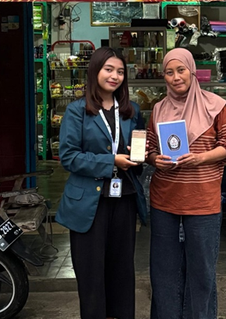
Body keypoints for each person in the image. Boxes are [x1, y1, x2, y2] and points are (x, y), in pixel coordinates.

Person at [147, 48, 226, 319]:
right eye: (169, 72)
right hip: (164, 200)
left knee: (201, 270)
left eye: (181, 70)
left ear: (191, 71)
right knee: (164, 269)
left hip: (202, 202)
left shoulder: (216, 106)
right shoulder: (158, 109)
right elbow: (151, 148)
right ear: (163, 76)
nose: (176, 77)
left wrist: (200, 159)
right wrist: (155, 159)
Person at [56, 47, 147, 319]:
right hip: (88, 204)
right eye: (109, 69)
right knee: (91, 273)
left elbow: (138, 149)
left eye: (120, 71)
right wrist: (111, 162)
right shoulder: (77, 111)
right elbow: (68, 157)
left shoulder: (132, 111)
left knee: (122, 271)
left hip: (124, 198)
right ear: (95, 71)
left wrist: (138, 158)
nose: (115, 76)